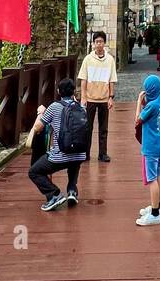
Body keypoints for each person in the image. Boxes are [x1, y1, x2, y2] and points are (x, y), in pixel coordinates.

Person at [28, 77, 89, 211]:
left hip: (60, 156)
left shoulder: (54, 107)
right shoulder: (82, 108)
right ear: (74, 92)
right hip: (80, 154)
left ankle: (54, 194)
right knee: (74, 158)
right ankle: (72, 190)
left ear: (58, 91)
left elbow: (37, 127)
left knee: (34, 171)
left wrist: (40, 113)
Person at [77, 30, 117, 163]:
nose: (99, 44)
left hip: (104, 98)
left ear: (104, 43)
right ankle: (85, 153)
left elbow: (112, 80)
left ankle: (103, 153)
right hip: (90, 98)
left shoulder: (110, 60)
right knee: (87, 127)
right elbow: (83, 79)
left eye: (101, 42)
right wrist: (83, 97)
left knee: (103, 128)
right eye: (96, 42)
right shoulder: (88, 60)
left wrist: (111, 97)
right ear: (94, 44)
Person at [134, 73, 160, 226]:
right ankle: (157, 207)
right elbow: (151, 106)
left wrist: (138, 102)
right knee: (158, 175)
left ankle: (154, 215)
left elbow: (138, 120)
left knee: (151, 179)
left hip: (151, 148)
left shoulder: (151, 105)